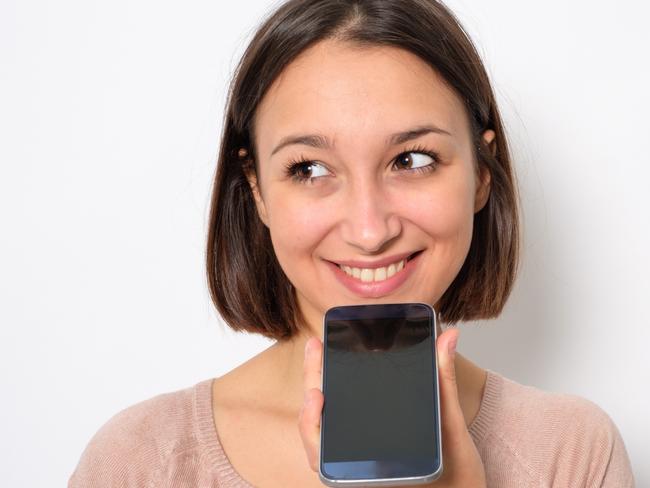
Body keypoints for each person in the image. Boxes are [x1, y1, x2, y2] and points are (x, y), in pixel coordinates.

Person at [68, 0, 635, 486]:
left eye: (412, 160)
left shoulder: (572, 454)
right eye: (310, 169)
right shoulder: (140, 461)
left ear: (482, 175)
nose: (369, 230)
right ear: (257, 190)